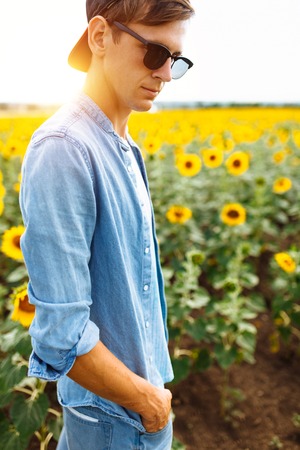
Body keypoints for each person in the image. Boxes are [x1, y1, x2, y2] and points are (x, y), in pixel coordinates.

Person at [20, 0, 195, 448]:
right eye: (155, 53)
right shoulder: (65, 148)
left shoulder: (120, 143)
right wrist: (148, 402)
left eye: (176, 61)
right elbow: (62, 336)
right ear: (100, 37)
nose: (165, 74)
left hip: (129, 412)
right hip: (115, 420)